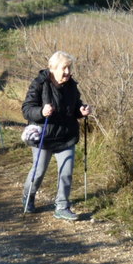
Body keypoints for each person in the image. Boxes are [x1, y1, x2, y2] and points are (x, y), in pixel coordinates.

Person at [21, 51, 92, 221]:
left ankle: (62, 206)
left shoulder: (71, 85)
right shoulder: (40, 83)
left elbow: (75, 106)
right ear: (52, 68)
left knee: (66, 172)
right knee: (38, 172)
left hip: (66, 136)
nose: (68, 72)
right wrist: (41, 111)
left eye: (69, 68)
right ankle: (28, 196)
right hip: (43, 136)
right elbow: (27, 109)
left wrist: (81, 111)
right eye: (64, 68)